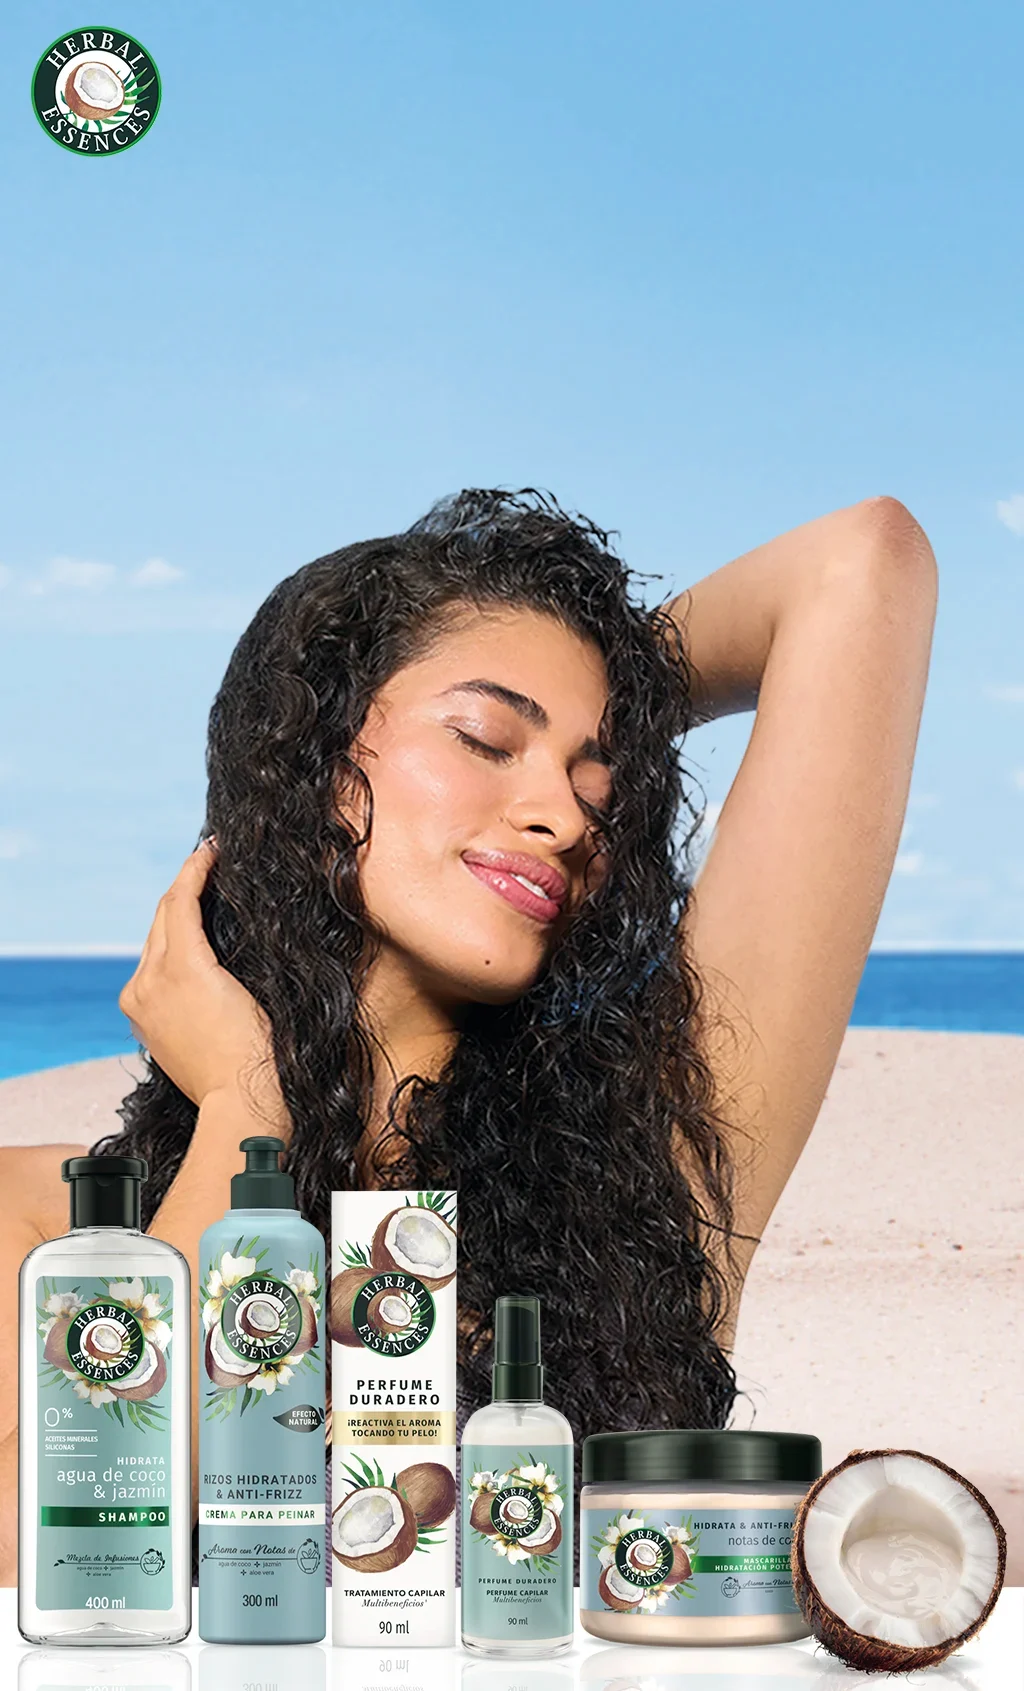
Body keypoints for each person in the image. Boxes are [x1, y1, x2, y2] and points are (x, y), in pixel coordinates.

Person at [0, 487, 936, 1581]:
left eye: (601, 783)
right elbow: (54, 1557)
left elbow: (858, 564)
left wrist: (619, 696)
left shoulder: (647, 1181)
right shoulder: (39, 1227)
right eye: (488, 737)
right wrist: (245, 1115)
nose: (570, 813)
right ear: (303, 760)